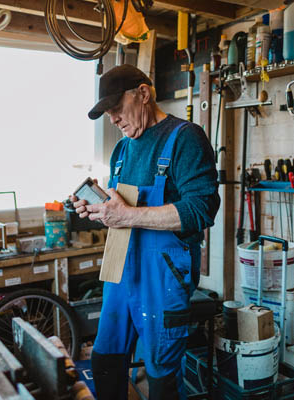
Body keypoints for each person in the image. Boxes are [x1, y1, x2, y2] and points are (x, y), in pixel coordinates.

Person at [72, 64, 220, 399]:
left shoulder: (185, 138)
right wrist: (97, 210)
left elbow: (201, 209)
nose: (113, 119)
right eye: (107, 113)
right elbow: (121, 211)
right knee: (104, 361)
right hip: (119, 271)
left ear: (143, 94)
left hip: (162, 279)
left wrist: (126, 215)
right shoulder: (122, 150)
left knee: (161, 377)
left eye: (116, 108)